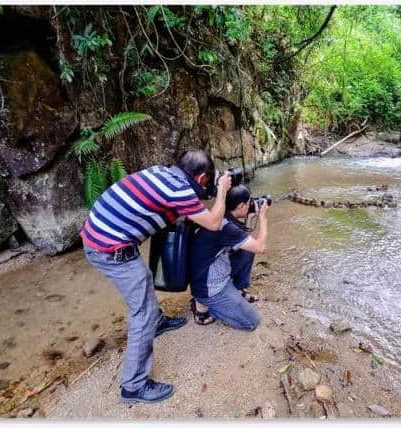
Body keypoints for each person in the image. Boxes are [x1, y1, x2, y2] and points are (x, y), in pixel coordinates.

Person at [81, 149, 231, 404]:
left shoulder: (161, 173)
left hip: (100, 234)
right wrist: (224, 190)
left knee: (143, 281)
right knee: (142, 312)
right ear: (203, 177)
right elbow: (214, 223)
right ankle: (134, 386)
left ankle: (158, 322)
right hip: (109, 249)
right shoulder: (180, 191)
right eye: (208, 182)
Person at [188, 185, 268, 330]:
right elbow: (260, 247)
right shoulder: (226, 227)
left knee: (246, 249)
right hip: (210, 287)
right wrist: (262, 217)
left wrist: (249, 216)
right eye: (249, 202)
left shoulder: (221, 214)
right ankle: (202, 308)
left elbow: (243, 237)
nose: (251, 204)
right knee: (252, 321)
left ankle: (236, 290)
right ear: (241, 205)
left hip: (206, 272)